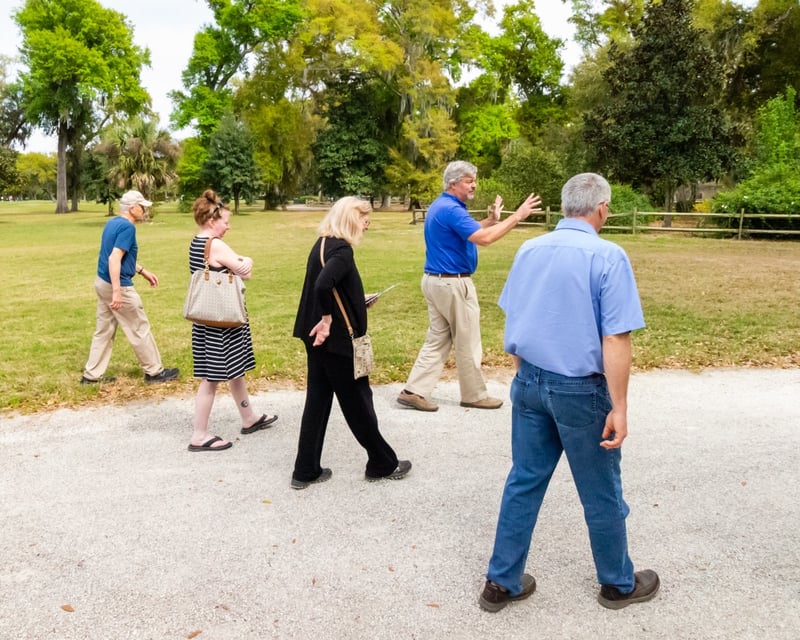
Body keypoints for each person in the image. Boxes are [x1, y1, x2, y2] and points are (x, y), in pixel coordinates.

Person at [478, 173, 659, 613]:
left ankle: (500, 581)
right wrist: (620, 406)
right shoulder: (608, 256)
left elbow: (514, 313)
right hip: (580, 389)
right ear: (602, 208)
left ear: (564, 207)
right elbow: (615, 337)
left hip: (530, 380)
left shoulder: (530, 248)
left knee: (524, 480)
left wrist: (522, 371)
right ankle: (617, 582)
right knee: (600, 489)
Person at [397, 160, 541, 412]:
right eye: (469, 181)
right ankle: (474, 395)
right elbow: (483, 239)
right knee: (468, 340)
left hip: (435, 281)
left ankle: (413, 391)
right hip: (453, 283)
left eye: (474, 180)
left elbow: (471, 230)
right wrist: (517, 216)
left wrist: (491, 219)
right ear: (453, 183)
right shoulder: (452, 209)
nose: (474, 185)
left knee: (438, 339)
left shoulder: (442, 206)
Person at [292, 196, 411, 489]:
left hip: (314, 337)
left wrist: (357, 299)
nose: (366, 224)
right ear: (349, 219)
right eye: (363, 219)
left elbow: (331, 287)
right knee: (357, 401)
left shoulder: (322, 244)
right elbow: (323, 285)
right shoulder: (342, 251)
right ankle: (382, 462)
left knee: (318, 401)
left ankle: (305, 469)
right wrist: (327, 319)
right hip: (335, 340)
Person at [187, 190, 278, 452]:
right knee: (211, 378)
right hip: (222, 320)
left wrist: (240, 260)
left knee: (234, 370)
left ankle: (249, 417)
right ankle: (199, 435)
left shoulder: (196, 241)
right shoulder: (215, 244)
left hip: (209, 318)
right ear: (211, 221)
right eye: (225, 222)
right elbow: (245, 272)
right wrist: (247, 259)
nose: (228, 226)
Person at [81, 190, 179, 385]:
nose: (144, 210)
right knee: (139, 327)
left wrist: (142, 271)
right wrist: (117, 291)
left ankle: (91, 376)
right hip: (117, 286)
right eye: (142, 207)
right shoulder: (127, 228)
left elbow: (118, 256)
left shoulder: (112, 223)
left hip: (102, 283)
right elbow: (114, 258)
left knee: (104, 330)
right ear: (132, 208)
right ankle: (154, 372)